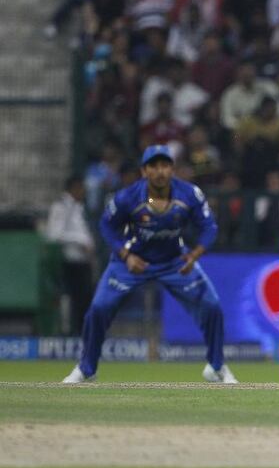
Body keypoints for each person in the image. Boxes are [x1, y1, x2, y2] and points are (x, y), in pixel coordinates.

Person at [62, 145, 237, 384]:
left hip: (175, 261)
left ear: (172, 169)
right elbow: (107, 226)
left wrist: (194, 254)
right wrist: (126, 255)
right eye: (154, 166)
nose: (160, 171)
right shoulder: (128, 197)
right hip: (133, 262)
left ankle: (216, 366)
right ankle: (86, 369)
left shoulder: (189, 194)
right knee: (99, 309)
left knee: (212, 306)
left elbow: (209, 227)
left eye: (165, 165)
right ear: (144, 171)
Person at [45, 175, 95, 335]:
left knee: (85, 299)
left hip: (82, 262)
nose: (84, 193)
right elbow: (54, 234)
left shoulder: (77, 207)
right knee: (74, 299)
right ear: (74, 188)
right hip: (69, 262)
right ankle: (70, 332)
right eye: (82, 189)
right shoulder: (61, 207)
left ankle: (82, 332)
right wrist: (80, 241)